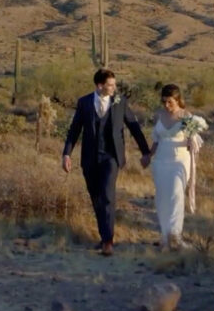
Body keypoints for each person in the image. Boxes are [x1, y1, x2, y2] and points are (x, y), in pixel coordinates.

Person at [62, 68, 151, 256]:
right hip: (89, 158)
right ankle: (104, 236)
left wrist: (145, 152)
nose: (114, 88)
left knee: (108, 195)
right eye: (110, 85)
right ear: (99, 85)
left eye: (114, 84)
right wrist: (67, 154)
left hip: (111, 157)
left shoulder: (120, 102)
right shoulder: (84, 103)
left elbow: (134, 127)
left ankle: (108, 241)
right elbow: (74, 130)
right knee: (96, 197)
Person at [149, 84, 205, 250]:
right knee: (162, 198)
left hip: (178, 161)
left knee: (176, 195)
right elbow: (156, 140)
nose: (166, 106)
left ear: (178, 100)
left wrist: (191, 140)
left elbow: (194, 143)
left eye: (170, 102)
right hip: (160, 161)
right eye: (164, 102)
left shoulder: (186, 117)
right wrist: (147, 155)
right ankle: (165, 235)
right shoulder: (160, 115)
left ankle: (175, 236)